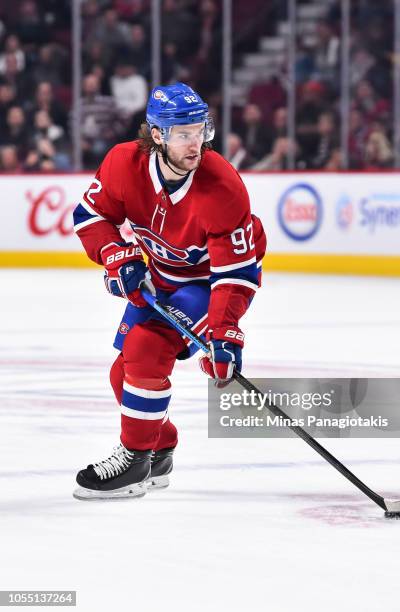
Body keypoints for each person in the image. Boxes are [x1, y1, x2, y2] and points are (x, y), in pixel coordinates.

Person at [72, 82, 266, 500]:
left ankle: (135, 459)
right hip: (160, 275)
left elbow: (235, 274)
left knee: (146, 350)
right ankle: (160, 447)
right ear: (157, 134)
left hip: (206, 282)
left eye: (201, 131)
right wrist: (115, 255)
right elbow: (89, 216)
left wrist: (223, 333)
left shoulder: (222, 186)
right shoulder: (123, 163)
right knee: (122, 374)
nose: (196, 144)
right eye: (183, 134)